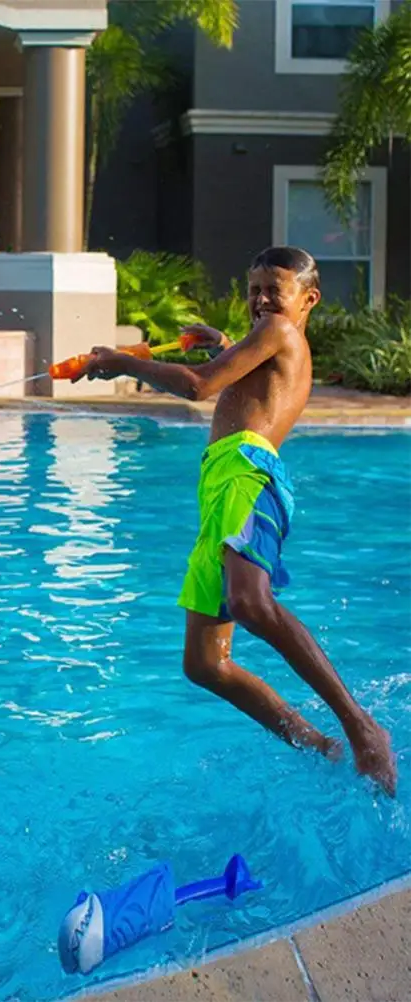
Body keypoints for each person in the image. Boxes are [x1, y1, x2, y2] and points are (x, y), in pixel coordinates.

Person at [74, 246, 396, 795]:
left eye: (275, 290)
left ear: (308, 300)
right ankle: (320, 747)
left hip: (247, 473)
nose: (262, 300)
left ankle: (361, 726)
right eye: (254, 290)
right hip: (219, 484)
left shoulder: (279, 331)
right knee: (205, 664)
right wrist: (224, 344)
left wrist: (122, 363)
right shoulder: (272, 338)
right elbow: (251, 381)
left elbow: (199, 386)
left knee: (250, 603)